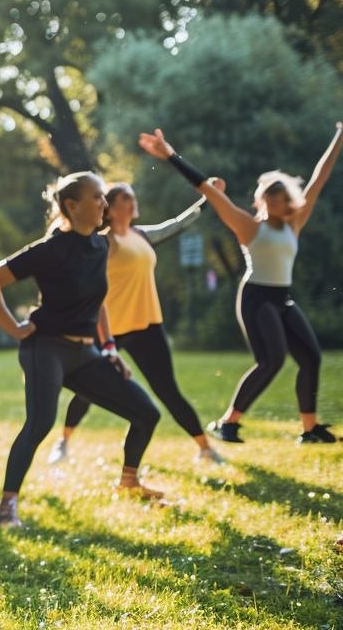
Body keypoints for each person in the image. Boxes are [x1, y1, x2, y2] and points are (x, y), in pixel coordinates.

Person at [138, 120, 343, 444]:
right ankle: (226, 424)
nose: (281, 204)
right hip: (256, 299)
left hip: (282, 299)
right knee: (271, 361)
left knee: (311, 358)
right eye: (273, 199)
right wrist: (171, 155)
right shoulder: (248, 226)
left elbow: (320, 178)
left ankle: (310, 429)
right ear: (263, 201)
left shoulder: (294, 223)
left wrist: (339, 138)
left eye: (284, 199)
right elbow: (206, 189)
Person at [0, 173, 164, 528]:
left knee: (146, 413)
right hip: (45, 348)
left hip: (85, 353)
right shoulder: (50, 249)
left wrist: (109, 347)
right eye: (97, 197)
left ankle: (129, 482)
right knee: (40, 423)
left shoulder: (101, 245)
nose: (104, 203)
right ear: (72, 206)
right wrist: (14, 329)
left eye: (104, 197)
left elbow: (99, 301)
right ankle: (6, 508)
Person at [47, 184, 225, 465]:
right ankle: (63, 442)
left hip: (145, 326)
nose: (133, 201)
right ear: (110, 208)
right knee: (86, 392)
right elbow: (70, 250)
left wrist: (208, 197)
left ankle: (205, 448)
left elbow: (177, 223)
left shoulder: (141, 235)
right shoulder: (101, 242)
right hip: (107, 329)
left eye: (133, 196)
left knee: (168, 390)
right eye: (126, 198)